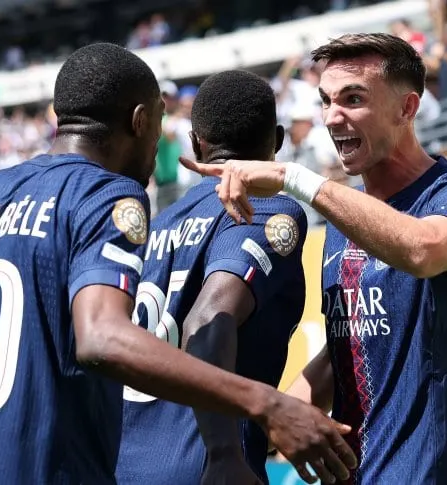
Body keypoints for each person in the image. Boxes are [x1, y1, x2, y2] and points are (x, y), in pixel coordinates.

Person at [0, 43, 356, 485]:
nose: (160, 144)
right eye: (159, 124)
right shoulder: (107, 198)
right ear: (140, 120)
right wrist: (264, 406)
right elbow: (105, 337)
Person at [182, 33, 447, 484]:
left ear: (407, 108)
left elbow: (423, 249)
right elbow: (345, 354)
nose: (333, 117)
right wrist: (258, 426)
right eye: (326, 101)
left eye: (353, 99)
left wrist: (294, 178)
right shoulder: (343, 217)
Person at [116, 70, 313, 485]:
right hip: (205, 467)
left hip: (123, 463)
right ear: (277, 140)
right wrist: (223, 453)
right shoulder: (263, 210)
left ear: (196, 144)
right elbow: (205, 320)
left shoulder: (158, 225)